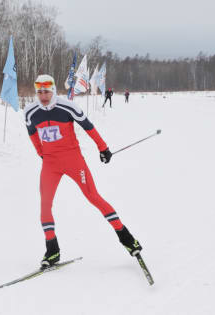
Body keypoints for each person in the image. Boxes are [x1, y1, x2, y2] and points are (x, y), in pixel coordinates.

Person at [23, 74, 142, 270]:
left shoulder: (67, 106)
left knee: (93, 196)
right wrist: (41, 154)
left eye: (47, 91)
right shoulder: (30, 111)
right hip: (50, 164)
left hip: (73, 160)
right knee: (45, 206)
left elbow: (88, 127)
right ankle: (52, 250)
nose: (43, 95)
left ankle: (127, 239)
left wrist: (103, 148)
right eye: (39, 91)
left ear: (53, 90)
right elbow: (32, 134)